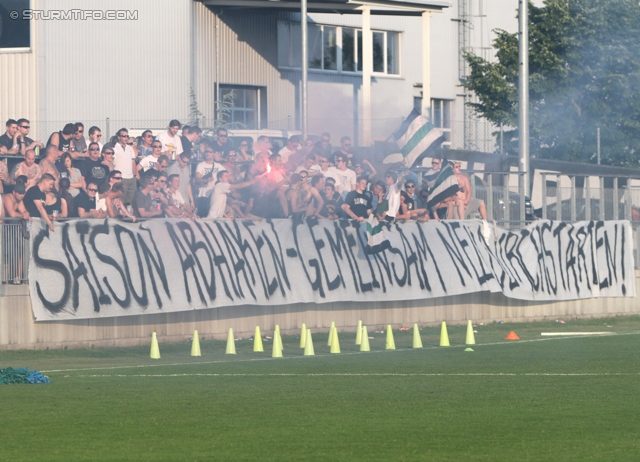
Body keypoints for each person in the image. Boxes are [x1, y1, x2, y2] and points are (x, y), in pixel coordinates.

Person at [195, 146, 224, 216]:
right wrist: (206, 180)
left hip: (214, 195)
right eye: (206, 151)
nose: (208, 153)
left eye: (210, 151)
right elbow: (196, 179)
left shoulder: (219, 166)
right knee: (203, 217)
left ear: (214, 154)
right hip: (203, 195)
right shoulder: (200, 165)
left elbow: (226, 175)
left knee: (213, 216)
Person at [112, 128, 138, 204]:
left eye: (127, 136)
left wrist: (135, 175)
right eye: (123, 136)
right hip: (121, 178)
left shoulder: (130, 148)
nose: (126, 138)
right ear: (119, 137)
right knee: (121, 200)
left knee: (131, 201)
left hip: (131, 178)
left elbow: (133, 161)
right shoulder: (114, 148)